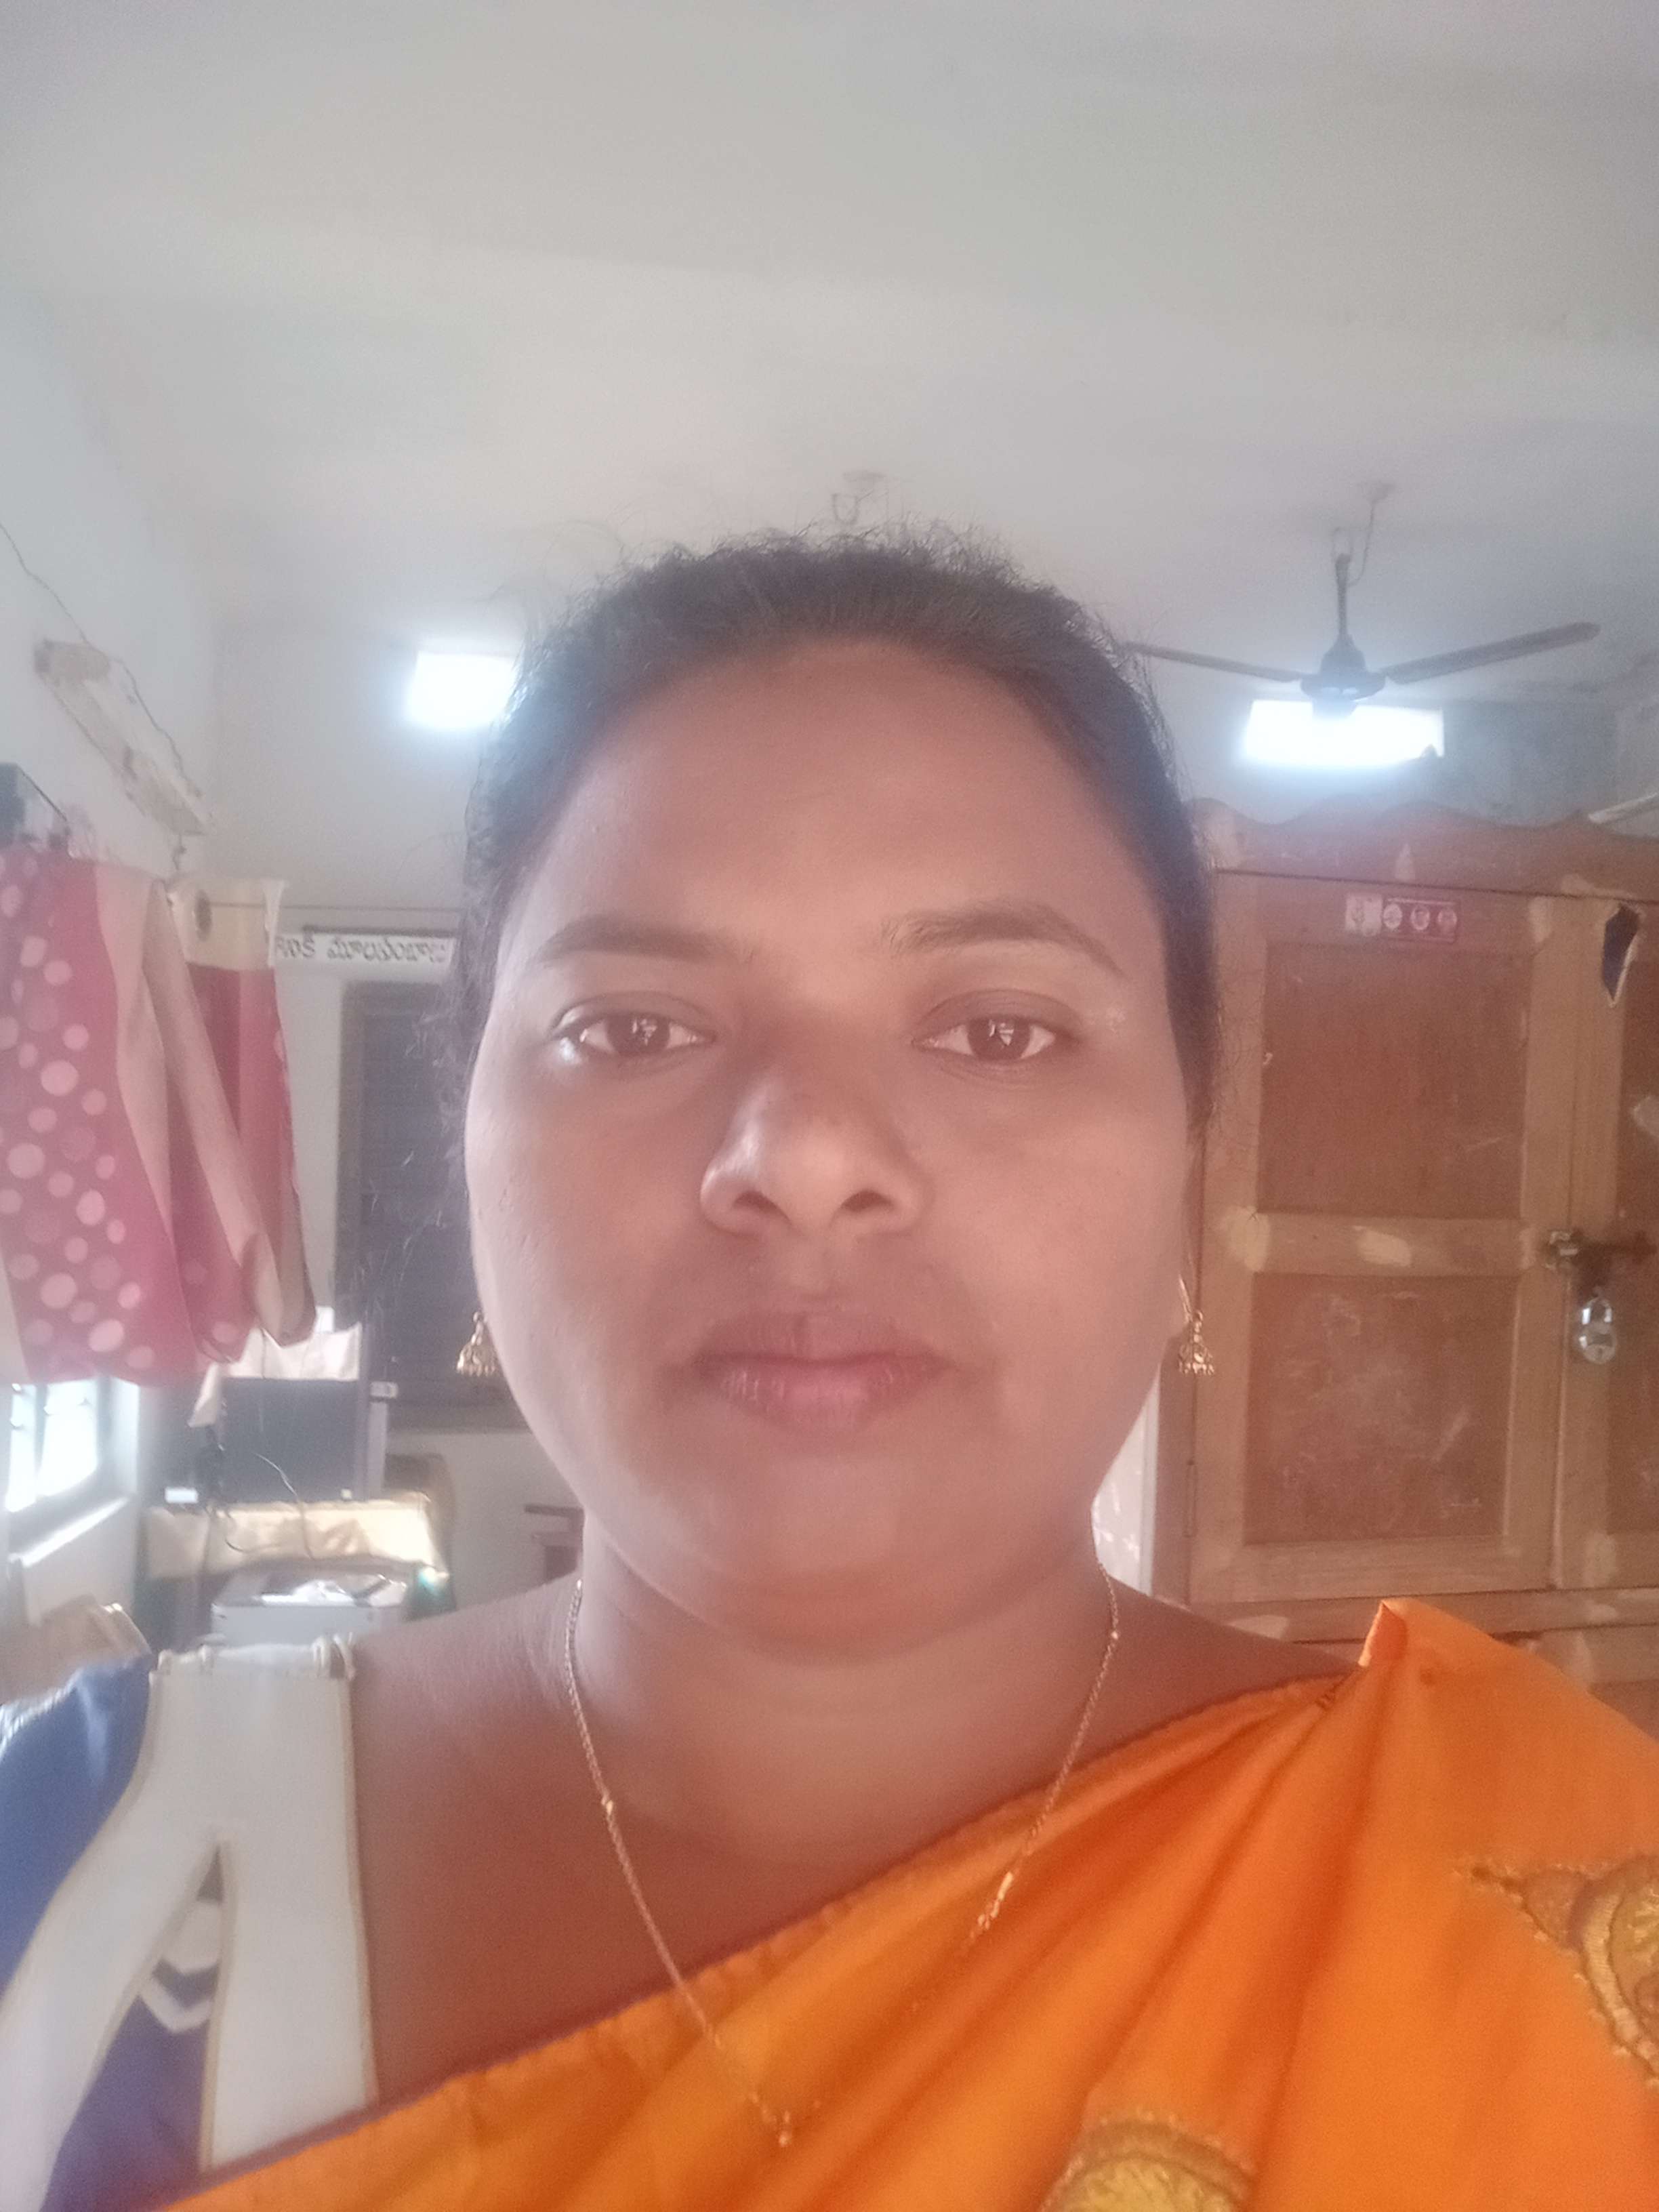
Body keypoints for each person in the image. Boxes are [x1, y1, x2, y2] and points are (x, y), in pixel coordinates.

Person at [3, 531, 1656, 2212]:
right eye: (632, 1028)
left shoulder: (1546, 1912)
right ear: (470, 1134)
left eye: (999, 1029)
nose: (803, 1158)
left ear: (1189, 1155)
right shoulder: (74, 1871)